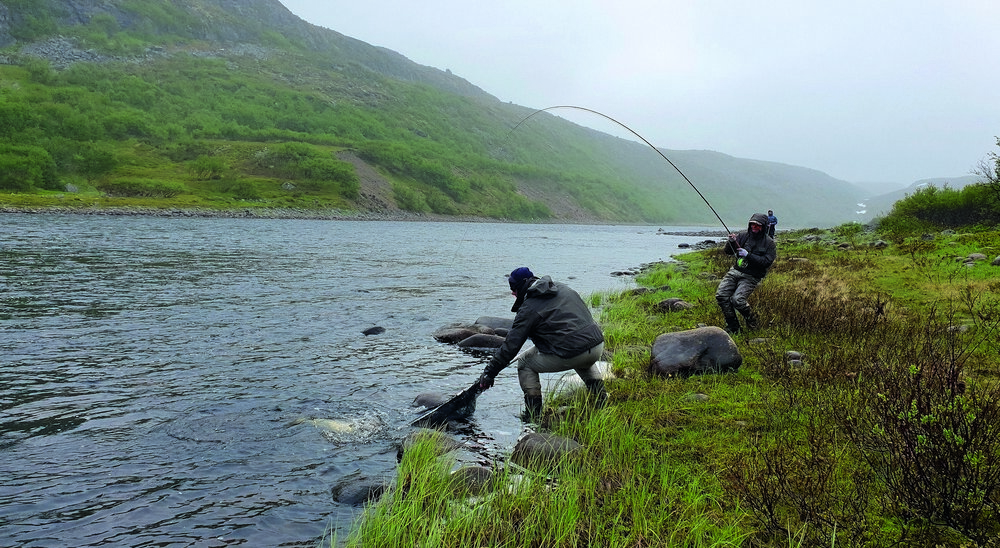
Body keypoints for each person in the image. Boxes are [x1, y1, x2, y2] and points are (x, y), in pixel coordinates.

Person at [477, 267, 607, 421]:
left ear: (522, 286)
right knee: (578, 345)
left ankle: (533, 415)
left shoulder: (528, 308)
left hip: (572, 352)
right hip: (596, 345)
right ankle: (602, 400)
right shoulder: (563, 288)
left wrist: (489, 373)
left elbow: (511, 346)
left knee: (524, 363)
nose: (512, 293)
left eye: (513, 288)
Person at [716, 213, 777, 335]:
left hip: (752, 276)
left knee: (737, 300)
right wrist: (731, 242)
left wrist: (748, 255)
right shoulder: (742, 236)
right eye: (752, 224)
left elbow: (766, 262)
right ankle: (733, 327)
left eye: (758, 225)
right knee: (721, 296)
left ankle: (752, 320)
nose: (754, 227)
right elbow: (728, 252)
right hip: (735, 271)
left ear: (764, 226)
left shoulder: (769, 243)